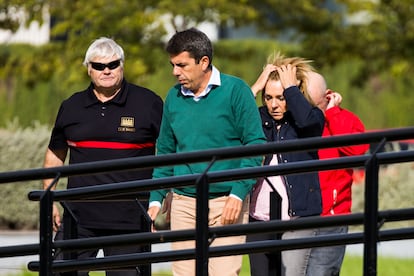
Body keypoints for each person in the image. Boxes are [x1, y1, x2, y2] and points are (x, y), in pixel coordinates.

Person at [146, 28, 266, 276]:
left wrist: (238, 192)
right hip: (184, 202)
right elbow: (166, 151)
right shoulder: (174, 97)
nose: (175, 72)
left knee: (223, 273)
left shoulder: (236, 91)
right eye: (173, 65)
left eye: (181, 65)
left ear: (204, 62)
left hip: (227, 202)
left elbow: (255, 144)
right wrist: (157, 197)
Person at [43, 37, 163, 276]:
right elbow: (55, 153)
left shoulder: (148, 103)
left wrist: (160, 198)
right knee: (55, 271)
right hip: (78, 218)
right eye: (98, 66)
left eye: (113, 64)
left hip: (129, 220)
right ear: (88, 69)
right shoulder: (71, 106)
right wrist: (50, 198)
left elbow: (170, 151)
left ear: (122, 65)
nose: (106, 70)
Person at [247, 53, 324, 276]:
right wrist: (255, 86)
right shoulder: (257, 118)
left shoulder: (310, 117)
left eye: (281, 97)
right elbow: (228, 122)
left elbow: (309, 123)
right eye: (268, 97)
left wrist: (291, 88)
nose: (273, 104)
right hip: (259, 218)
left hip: (297, 216)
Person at [305, 71, 369, 276]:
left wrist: (333, 114)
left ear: (328, 96)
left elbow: (358, 149)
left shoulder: (344, 119)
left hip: (332, 217)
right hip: (299, 216)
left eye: (316, 106)